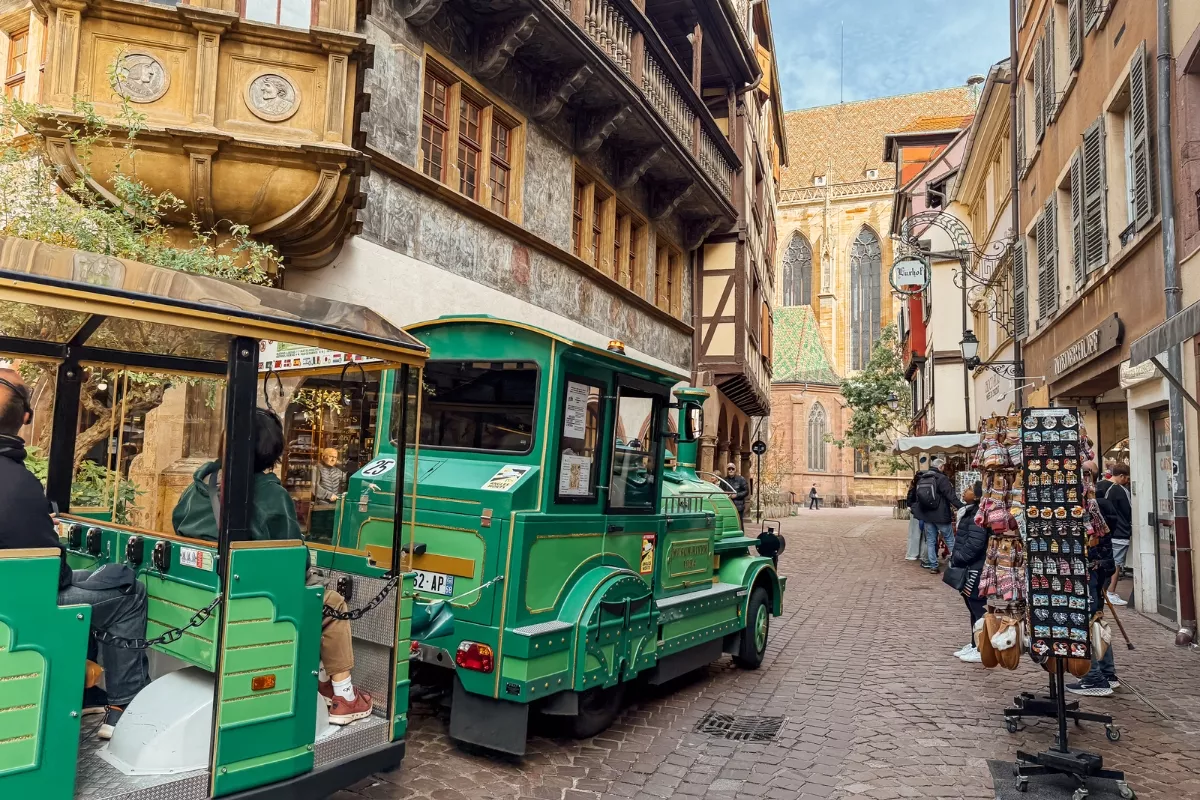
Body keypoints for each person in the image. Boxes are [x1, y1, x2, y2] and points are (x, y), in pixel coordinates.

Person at [172, 408, 373, 724]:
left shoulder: (202, 482)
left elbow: (177, 524)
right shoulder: (269, 493)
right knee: (331, 603)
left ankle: (319, 678)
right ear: (272, 451)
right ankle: (345, 695)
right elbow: (293, 556)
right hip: (249, 597)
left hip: (198, 592)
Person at [0, 368, 149, 739]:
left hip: (13, 595)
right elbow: (52, 573)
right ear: (25, 418)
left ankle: (87, 692)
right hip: (19, 608)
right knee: (129, 593)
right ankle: (124, 706)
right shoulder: (17, 481)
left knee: (103, 577)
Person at [1068, 461, 1120, 697]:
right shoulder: (1101, 501)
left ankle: (1094, 677)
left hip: (1090, 569)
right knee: (1096, 620)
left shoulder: (1090, 505)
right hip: (1098, 569)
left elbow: (1097, 540)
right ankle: (1108, 673)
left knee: (1085, 621)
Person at [950, 482, 988, 662]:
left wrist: (958, 557)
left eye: (970, 489)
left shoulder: (977, 516)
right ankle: (974, 643)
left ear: (978, 495)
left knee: (977, 607)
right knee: (971, 607)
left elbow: (975, 544)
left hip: (974, 567)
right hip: (969, 566)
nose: (965, 491)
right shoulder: (970, 511)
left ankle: (982, 648)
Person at [911, 456, 962, 574]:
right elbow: (950, 496)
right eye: (943, 467)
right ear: (940, 467)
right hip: (941, 515)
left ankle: (933, 566)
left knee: (930, 541)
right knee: (949, 539)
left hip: (927, 515)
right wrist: (962, 507)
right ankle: (956, 564)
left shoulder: (922, 478)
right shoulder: (942, 478)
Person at [1097, 463, 1132, 606]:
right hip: (1119, 531)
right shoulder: (1120, 491)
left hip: (1102, 531)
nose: (1128, 481)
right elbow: (1128, 511)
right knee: (1117, 562)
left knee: (1103, 561)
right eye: (1127, 478)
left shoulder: (1098, 485)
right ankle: (1110, 592)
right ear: (1122, 476)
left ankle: (1102, 590)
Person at [904, 473, 924, 562]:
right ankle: (919, 553)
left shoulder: (913, 488)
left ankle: (913, 553)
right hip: (920, 512)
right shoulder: (917, 489)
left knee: (915, 533)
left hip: (916, 512)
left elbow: (909, 501)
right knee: (921, 534)